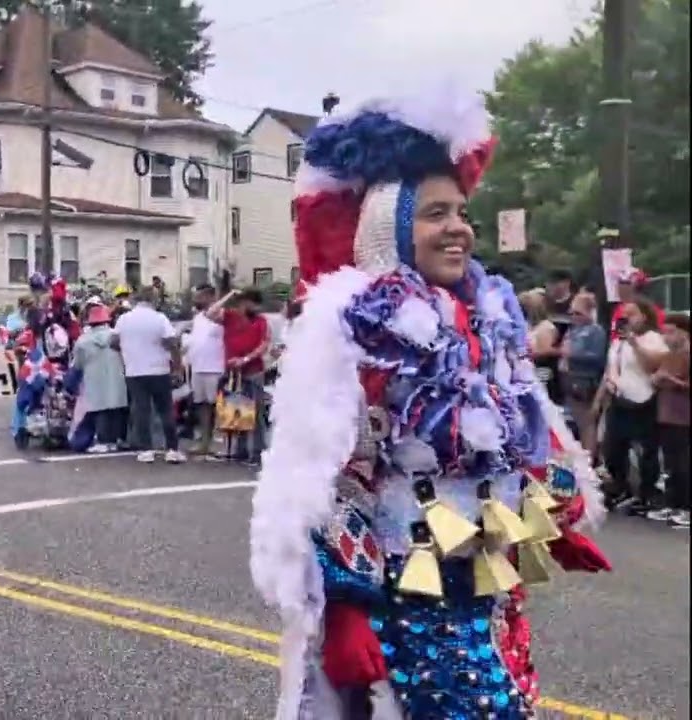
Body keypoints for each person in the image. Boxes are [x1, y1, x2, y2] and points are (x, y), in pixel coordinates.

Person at [249, 86, 609, 719]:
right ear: (392, 227)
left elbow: (522, 428)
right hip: (404, 588)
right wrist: (344, 608)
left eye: (463, 213)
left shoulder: (487, 314)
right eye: (437, 214)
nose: (460, 230)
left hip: (490, 579)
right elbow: (328, 477)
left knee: (504, 701)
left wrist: (559, 506)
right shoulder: (354, 326)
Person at [597, 298, 670, 514]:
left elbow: (652, 365)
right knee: (613, 448)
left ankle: (647, 493)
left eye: (632, 314)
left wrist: (635, 343)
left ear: (644, 316)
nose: (627, 319)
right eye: (624, 315)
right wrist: (609, 386)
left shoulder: (653, 339)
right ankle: (621, 487)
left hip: (644, 399)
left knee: (646, 450)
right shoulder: (618, 341)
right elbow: (611, 366)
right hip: (620, 398)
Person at [114, 286, 186, 464]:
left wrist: (128, 351)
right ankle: (172, 449)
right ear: (153, 300)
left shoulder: (124, 319)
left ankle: (146, 450)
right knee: (165, 409)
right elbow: (172, 343)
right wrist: (177, 367)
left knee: (141, 410)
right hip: (158, 369)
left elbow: (113, 342)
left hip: (134, 370)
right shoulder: (159, 318)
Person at [213, 288, 271, 465]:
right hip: (232, 371)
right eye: (244, 302)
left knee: (256, 411)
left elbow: (264, 344)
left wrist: (245, 359)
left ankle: (258, 451)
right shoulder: (231, 316)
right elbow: (210, 313)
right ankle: (241, 450)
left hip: (253, 371)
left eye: (249, 302)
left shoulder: (261, 321)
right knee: (236, 410)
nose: (246, 306)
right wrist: (229, 294)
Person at [72, 304, 129, 452]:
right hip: (117, 377)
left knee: (98, 409)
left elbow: (77, 364)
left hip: (94, 379)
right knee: (117, 408)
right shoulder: (116, 337)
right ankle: (118, 439)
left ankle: (103, 440)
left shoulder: (83, 341)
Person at [559, 291, 608, 458]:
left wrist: (572, 354)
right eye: (571, 313)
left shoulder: (595, 331)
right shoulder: (574, 330)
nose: (574, 317)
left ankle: (589, 459)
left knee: (587, 423)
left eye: (578, 313)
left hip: (585, 381)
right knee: (577, 422)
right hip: (570, 379)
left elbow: (598, 357)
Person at [186, 285, 234, 456]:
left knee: (220, 406)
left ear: (210, 296)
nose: (196, 300)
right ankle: (205, 442)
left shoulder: (221, 315)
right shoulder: (197, 317)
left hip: (215, 368)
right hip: (198, 367)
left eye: (199, 296)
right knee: (202, 406)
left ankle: (223, 443)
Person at [653, 313, 691, 527]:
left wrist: (672, 380)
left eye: (671, 332)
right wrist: (658, 379)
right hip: (666, 416)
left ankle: (686, 508)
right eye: (664, 332)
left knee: (683, 465)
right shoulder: (669, 355)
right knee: (670, 464)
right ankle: (672, 505)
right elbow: (657, 377)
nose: (666, 337)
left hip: (684, 418)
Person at [609, 268, 666, 338]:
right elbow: (616, 338)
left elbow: (659, 336)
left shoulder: (653, 311)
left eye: (625, 283)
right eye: (620, 283)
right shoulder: (619, 309)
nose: (620, 289)